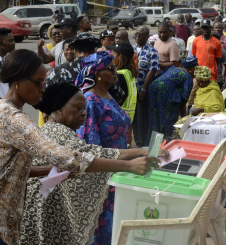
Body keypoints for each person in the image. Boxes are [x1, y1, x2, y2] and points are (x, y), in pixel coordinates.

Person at [0, 49, 159, 245]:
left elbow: (6, 169)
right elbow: (69, 158)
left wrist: (48, 170)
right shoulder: (14, 119)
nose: (43, 89)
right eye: (38, 82)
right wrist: (129, 166)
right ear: (18, 80)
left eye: (44, 82)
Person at [20, 83, 170, 245]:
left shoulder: (56, 129)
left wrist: (139, 152)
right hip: (42, 208)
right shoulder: (58, 132)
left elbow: (92, 153)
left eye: (84, 108)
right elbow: (88, 158)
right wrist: (131, 163)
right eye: (78, 108)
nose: (84, 113)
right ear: (59, 109)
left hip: (42, 206)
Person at [75, 51, 131, 245]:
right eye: (111, 69)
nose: (116, 72)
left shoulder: (107, 95)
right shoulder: (90, 100)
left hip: (118, 171)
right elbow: (89, 145)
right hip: (103, 178)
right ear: (97, 73)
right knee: (103, 229)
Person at [147, 56, 194, 141]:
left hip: (152, 88)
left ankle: (153, 145)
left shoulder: (173, 68)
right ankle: (165, 142)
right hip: (165, 92)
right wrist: (184, 121)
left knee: (155, 119)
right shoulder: (188, 78)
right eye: (195, 69)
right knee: (168, 119)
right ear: (191, 68)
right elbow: (183, 102)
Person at [132, 26, 160, 147]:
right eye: (136, 34)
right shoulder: (132, 49)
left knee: (142, 116)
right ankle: (136, 139)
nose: (138, 36)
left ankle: (142, 142)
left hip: (143, 88)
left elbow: (152, 70)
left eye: (141, 35)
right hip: (131, 88)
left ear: (147, 37)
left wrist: (143, 88)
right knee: (133, 115)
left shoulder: (151, 51)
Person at [107, 41, 138, 122]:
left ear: (120, 56)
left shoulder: (120, 75)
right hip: (128, 115)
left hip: (120, 116)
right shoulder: (129, 71)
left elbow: (118, 99)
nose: (111, 56)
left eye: (113, 54)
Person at [0, 28, 15, 98]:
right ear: (0, 42)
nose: (13, 43)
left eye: (13, 40)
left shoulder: (2, 59)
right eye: (10, 41)